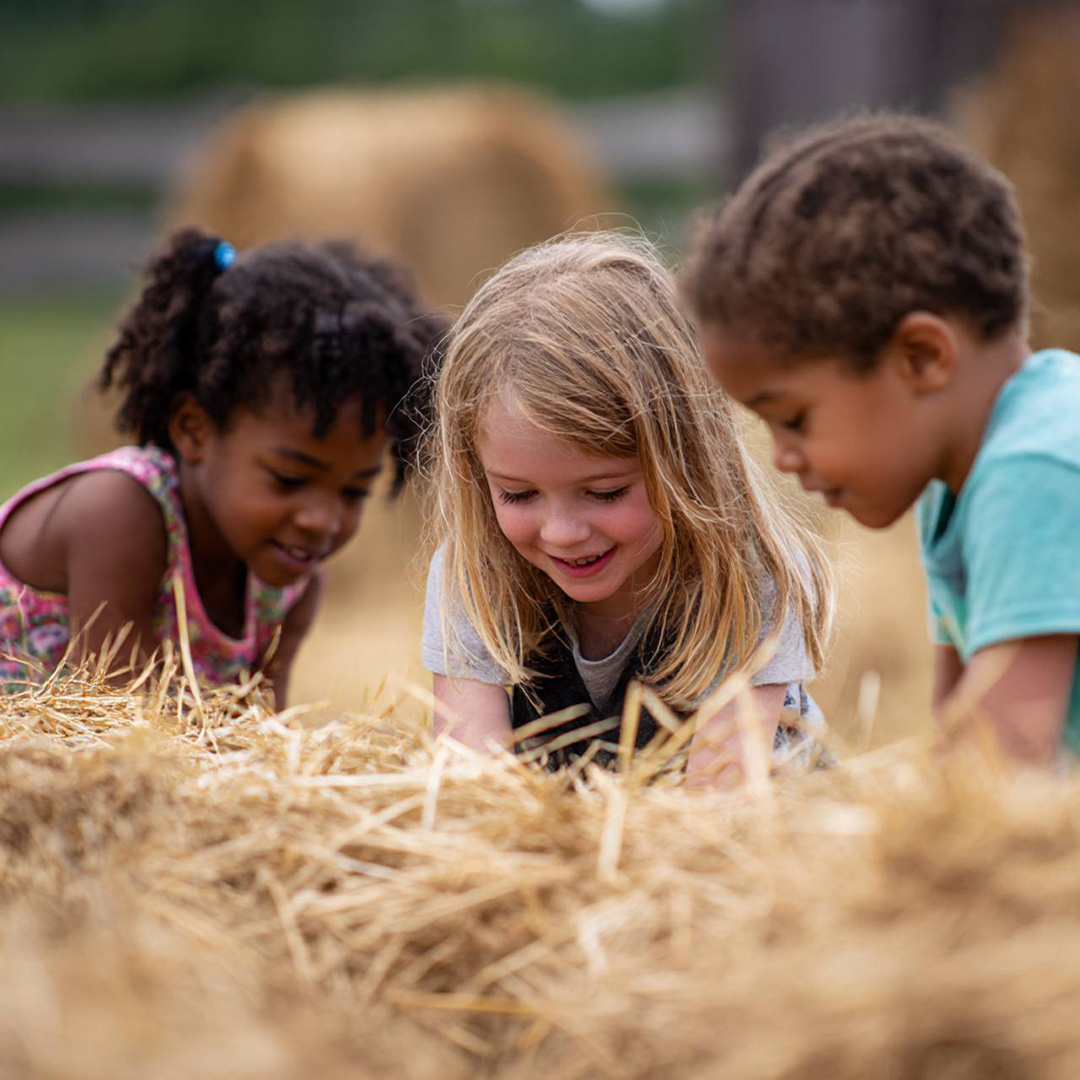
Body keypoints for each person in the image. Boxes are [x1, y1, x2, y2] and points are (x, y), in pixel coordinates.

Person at [682, 111, 1080, 764]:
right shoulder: (956, 487)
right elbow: (957, 746)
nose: (782, 458)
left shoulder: (1035, 468)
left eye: (796, 418)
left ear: (922, 358)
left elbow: (1008, 769)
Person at [422, 232, 833, 786]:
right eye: (518, 495)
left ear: (687, 462)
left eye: (605, 492)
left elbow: (721, 808)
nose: (562, 533)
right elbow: (471, 792)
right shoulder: (474, 572)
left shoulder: (751, 576)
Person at [0, 227, 443, 706]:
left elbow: (258, 736)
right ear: (194, 431)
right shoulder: (120, 510)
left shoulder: (290, 585)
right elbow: (115, 717)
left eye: (354, 492)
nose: (322, 518)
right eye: (289, 480)